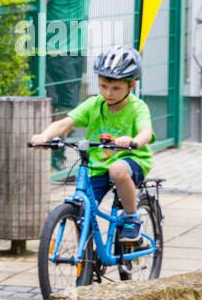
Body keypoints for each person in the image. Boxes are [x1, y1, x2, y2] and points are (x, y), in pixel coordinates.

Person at [30, 46, 154, 242]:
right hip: (97, 165)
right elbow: (64, 123)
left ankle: (131, 217)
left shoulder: (138, 107)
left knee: (117, 170)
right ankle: (87, 260)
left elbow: (146, 132)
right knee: (82, 209)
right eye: (103, 86)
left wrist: (133, 141)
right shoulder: (94, 104)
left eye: (115, 88)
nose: (108, 93)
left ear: (131, 86)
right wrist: (44, 136)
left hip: (131, 158)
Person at [44, 0, 96, 167]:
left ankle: (59, 153)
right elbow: (43, 1)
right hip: (58, 48)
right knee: (63, 104)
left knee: (72, 103)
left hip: (77, 46)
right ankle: (55, 156)